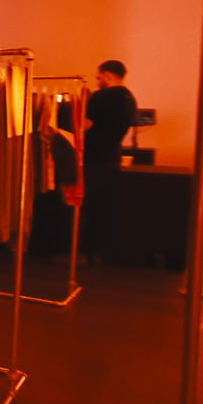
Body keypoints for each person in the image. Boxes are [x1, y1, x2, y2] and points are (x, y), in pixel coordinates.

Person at [80, 59, 138, 261]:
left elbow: (84, 126)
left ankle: (76, 253)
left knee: (82, 206)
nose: (97, 81)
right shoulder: (130, 99)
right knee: (100, 208)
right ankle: (95, 253)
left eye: (99, 77)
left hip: (93, 158)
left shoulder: (100, 96)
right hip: (112, 158)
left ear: (108, 76)